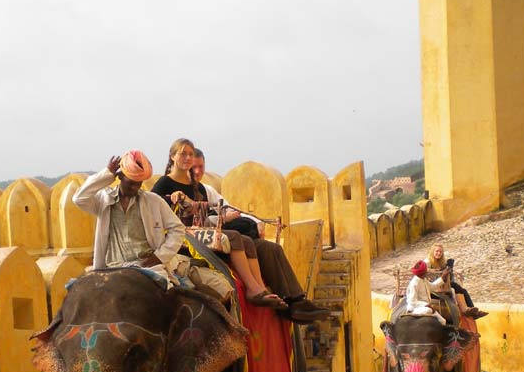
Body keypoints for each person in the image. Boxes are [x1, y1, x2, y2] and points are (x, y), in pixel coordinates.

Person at [189, 147, 331, 324]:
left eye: (201, 167)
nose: (197, 171)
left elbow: (232, 208)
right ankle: (261, 292)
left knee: (271, 248)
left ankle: (295, 301)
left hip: (224, 237)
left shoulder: (206, 189)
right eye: (193, 167)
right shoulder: (174, 188)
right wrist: (220, 218)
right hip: (204, 240)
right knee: (244, 240)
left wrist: (255, 222)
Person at [152, 138, 285, 310]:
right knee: (236, 237)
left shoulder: (197, 187)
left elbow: (207, 215)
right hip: (181, 235)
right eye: (183, 153)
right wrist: (172, 198)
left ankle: (259, 287)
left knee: (247, 241)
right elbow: (153, 205)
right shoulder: (165, 183)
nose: (187, 158)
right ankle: (252, 289)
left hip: (200, 230)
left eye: (190, 154)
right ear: (172, 157)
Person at [72, 151, 185, 276]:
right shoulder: (103, 200)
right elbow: (79, 198)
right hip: (111, 269)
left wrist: (160, 256)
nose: (134, 188)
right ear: (119, 176)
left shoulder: (153, 201)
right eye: (131, 183)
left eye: (139, 183)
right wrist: (107, 174)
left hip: (147, 269)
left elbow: (178, 229)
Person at [427, 243, 484, 319]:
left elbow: (447, 275)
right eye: (437, 251)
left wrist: (450, 268)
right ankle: (466, 309)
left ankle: (470, 309)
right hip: (432, 287)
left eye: (441, 252)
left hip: (442, 284)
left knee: (462, 290)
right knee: (456, 287)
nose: (439, 253)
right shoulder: (427, 262)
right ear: (432, 252)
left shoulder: (442, 262)